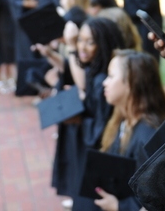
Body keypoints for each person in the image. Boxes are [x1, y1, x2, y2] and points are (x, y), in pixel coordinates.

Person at [52, 17, 125, 210]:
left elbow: (101, 129)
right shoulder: (95, 69)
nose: (82, 47)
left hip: (99, 158)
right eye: (80, 40)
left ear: (103, 44)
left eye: (90, 42)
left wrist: (79, 119)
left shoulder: (103, 80)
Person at [92, 50, 165, 211]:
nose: (104, 83)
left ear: (131, 82)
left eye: (111, 76)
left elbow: (158, 202)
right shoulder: (122, 119)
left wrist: (119, 207)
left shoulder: (149, 137)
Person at [10, 0, 61, 90]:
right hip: (26, 23)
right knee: (27, 54)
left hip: (45, 23)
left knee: (46, 54)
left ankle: (47, 87)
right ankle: (29, 87)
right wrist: (23, 3)